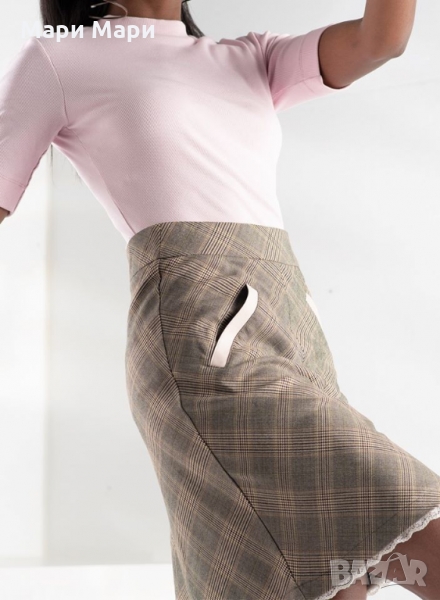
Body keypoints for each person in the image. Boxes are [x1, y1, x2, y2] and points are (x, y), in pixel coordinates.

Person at [1, 1, 439, 599]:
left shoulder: (251, 58)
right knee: (407, 532)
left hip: (296, 335)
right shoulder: (60, 59)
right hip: (203, 347)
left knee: (337, 580)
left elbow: (380, 40)